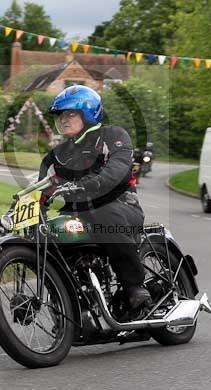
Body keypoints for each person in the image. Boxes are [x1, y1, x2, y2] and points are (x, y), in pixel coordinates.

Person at [38, 85, 151, 310]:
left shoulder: (113, 136)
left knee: (105, 215)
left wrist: (90, 183)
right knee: (52, 231)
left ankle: (134, 286)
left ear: (88, 112)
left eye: (70, 113)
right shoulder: (58, 155)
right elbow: (41, 184)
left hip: (120, 205)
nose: (64, 119)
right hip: (79, 210)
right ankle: (72, 302)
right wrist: (29, 203)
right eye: (61, 115)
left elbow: (117, 169)